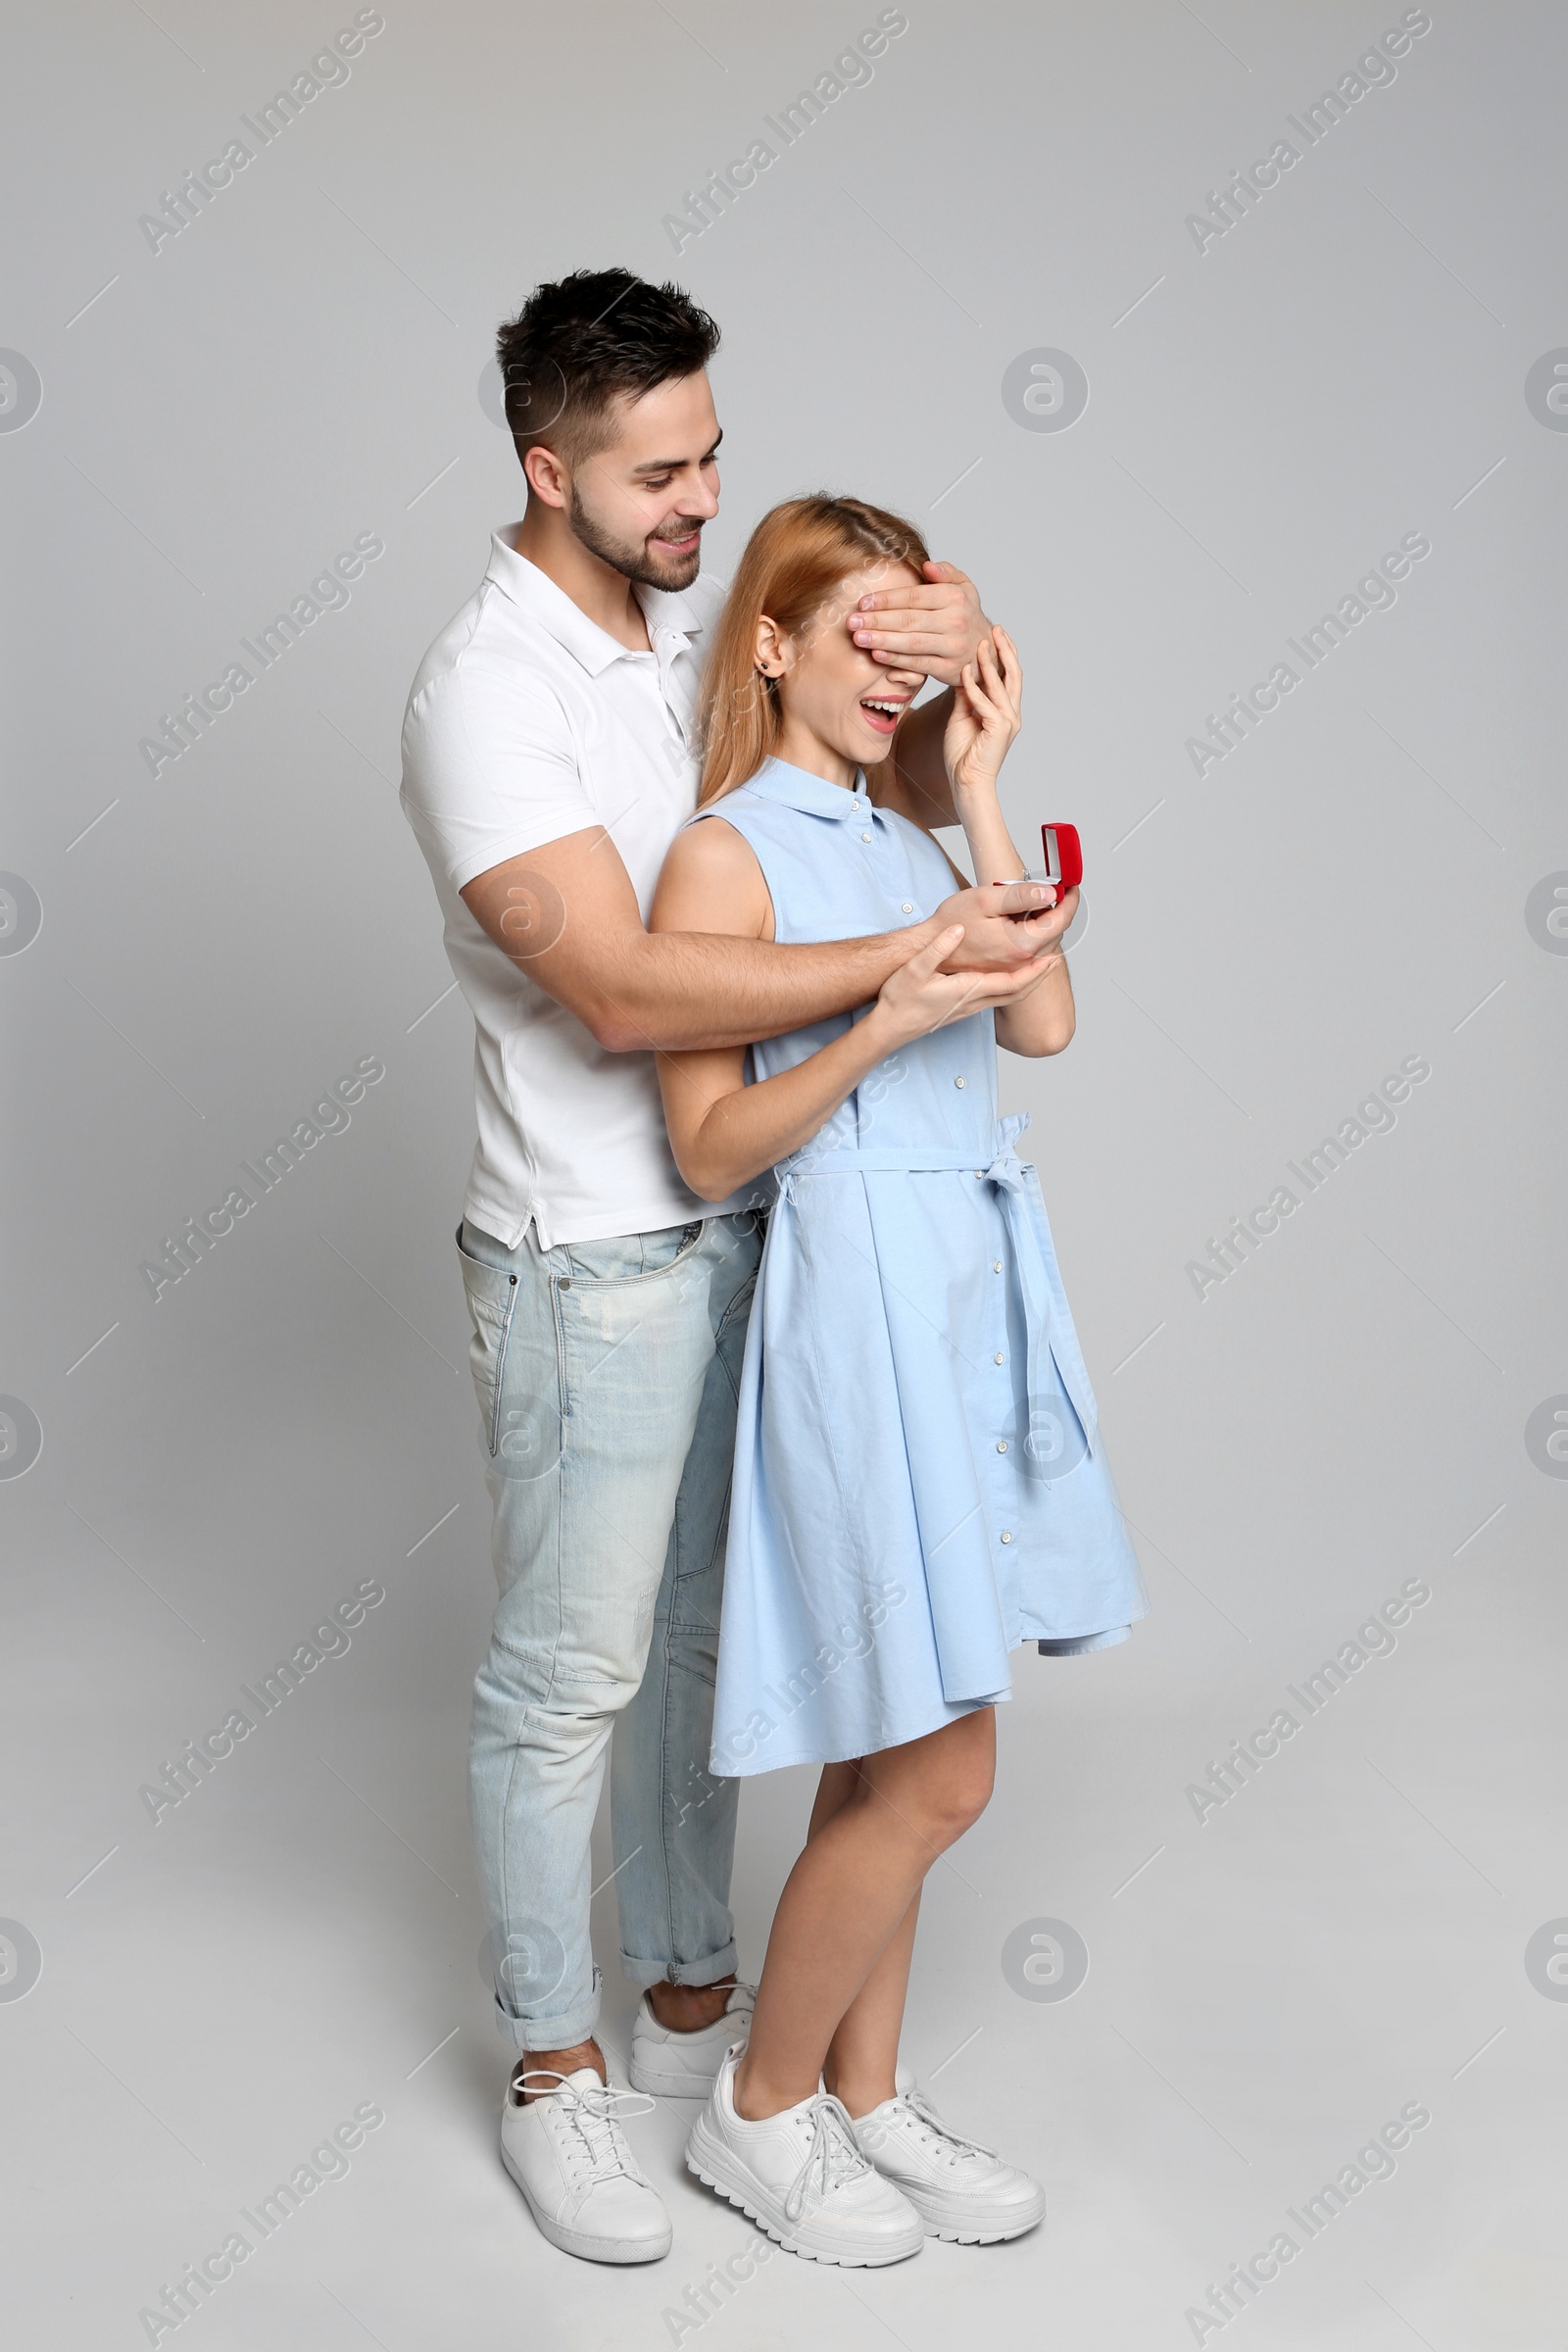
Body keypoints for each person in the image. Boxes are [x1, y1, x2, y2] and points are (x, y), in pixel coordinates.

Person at [397, 271, 1069, 2265]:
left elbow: (866, 647)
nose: (695, 495)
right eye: (654, 471)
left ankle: (711, 2022)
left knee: (710, 1666)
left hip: (760, 1252)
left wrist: (948, 642)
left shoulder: (691, 620)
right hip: (588, 1259)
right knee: (571, 1676)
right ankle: (554, 2071)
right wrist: (912, 962)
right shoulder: (483, 692)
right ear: (549, 472)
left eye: (708, 455)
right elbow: (613, 989)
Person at [650, 494, 1150, 2266]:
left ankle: (864, 2102)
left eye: (905, 642)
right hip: (853, 1302)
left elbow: (1046, 1023)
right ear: (769, 642)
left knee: (891, 1756)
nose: (884, 675)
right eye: (851, 634)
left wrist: (985, 772)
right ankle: (761, 2113)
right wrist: (877, 1021)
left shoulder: (907, 836)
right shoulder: (728, 852)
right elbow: (712, 1147)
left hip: (962, 1296)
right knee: (943, 1775)